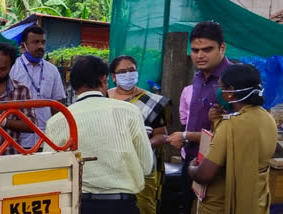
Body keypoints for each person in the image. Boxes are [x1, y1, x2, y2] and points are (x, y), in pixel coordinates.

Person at [43, 55, 153, 214]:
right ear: (104, 79)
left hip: (76, 205)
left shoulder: (57, 121)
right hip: (122, 205)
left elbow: (50, 172)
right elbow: (146, 165)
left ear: (74, 85)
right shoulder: (129, 111)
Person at [188, 64, 277, 214]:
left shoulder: (230, 126)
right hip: (256, 201)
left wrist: (191, 168)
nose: (218, 91)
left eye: (220, 87)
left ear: (229, 92)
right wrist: (217, 120)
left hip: (224, 205)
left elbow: (204, 175)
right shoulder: (267, 118)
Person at [166, 21, 232, 214]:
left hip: (217, 165)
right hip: (192, 161)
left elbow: (233, 133)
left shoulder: (231, 81)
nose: (200, 55)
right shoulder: (198, 76)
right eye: (195, 50)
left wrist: (187, 136)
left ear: (222, 47)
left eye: (207, 49)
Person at [108, 55, 170, 214]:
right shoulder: (104, 98)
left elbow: (162, 135)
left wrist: (143, 143)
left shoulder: (152, 101)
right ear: (113, 77)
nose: (128, 75)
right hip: (110, 167)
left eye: (131, 70)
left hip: (142, 166)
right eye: (122, 71)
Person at [10, 25, 66, 151]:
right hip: (18, 139)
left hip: (45, 139)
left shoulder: (52, 70)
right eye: (35, 42)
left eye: (43, 42)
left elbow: (57, 105)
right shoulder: (13, 68)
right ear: (23, 46)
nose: (40, 46)